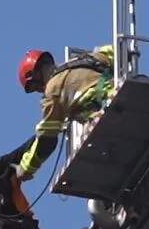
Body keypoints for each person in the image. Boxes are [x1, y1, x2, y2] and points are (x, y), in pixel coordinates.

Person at [8, 44, 116, 181]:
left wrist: (26, 167)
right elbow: (112, 52)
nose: (39, 90)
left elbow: (46, 138)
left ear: (35, 74)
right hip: (119, 99)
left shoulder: (52, 92)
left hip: (104, 117)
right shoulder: (84, 60)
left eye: (34, 87)